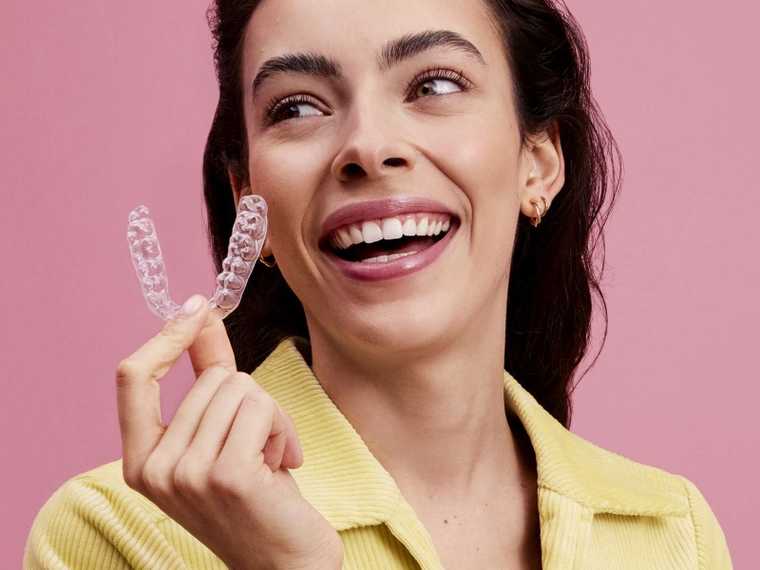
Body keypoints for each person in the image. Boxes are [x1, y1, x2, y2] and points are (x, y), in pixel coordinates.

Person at [24, 0, 733, 568]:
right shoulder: (117, 533)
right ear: (251, 206)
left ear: (538, 163)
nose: (367, 145)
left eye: (435, 84)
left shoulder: (672, 532)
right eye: (296, 106)